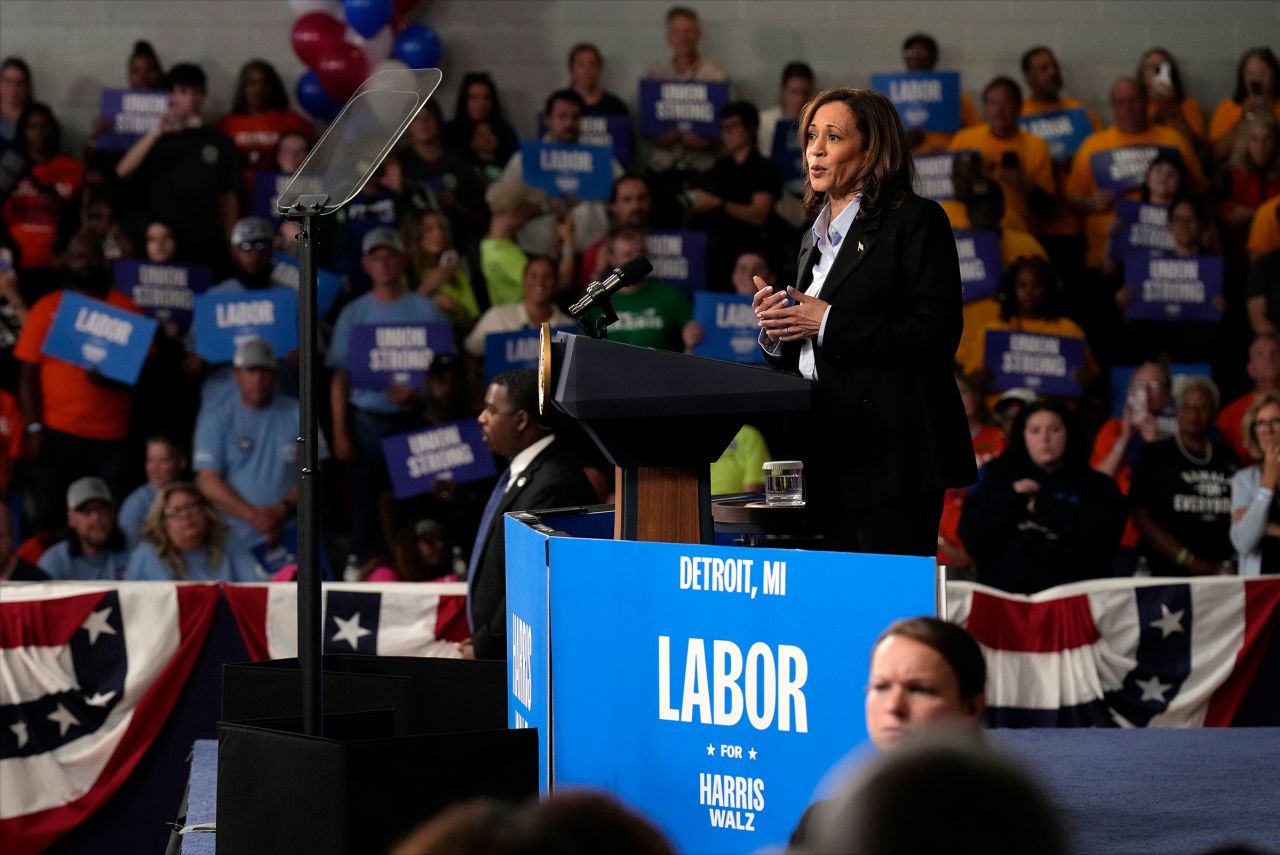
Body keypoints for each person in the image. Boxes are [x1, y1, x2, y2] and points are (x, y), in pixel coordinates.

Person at [753, 87, 976, 555]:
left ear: (872, 148)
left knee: (886, 608)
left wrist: (828, 321)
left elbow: (935, 336)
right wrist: (778, 332)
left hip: (893, 455)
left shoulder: (915, 221)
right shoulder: (811, 238)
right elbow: (812, 349)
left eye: (833, 137)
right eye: (811, 135)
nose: (815, 149)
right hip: (826, 447)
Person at [787, 616, 989, 849]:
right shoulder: (822, 824)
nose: (894, 706)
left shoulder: (1008, 829)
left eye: (919, 689)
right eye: (881, 686)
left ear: (971, 708)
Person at [328, 226, 448, 562]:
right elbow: (340, 375)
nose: (383, 264)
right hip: (368, 422)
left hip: (417, 419)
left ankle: (420, 566)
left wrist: (420, 389)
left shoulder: (426, 310)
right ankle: (367, 564)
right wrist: (339, 432)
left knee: (420, 502)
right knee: (365, 501)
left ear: (403, 260)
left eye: (390, 256)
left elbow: (444, 375)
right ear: (366, 265)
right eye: (375, 257)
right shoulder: (354, 314)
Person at [15, 231, 141, 531]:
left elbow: (143, 376)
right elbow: (27, 373)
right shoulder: (46, 308)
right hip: (56, 434)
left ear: (103, 260)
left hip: (111, 438)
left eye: (92, 255)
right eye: (77, 256)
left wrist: (113, 379)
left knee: (111, 523)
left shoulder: (126, 308)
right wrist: (33, 427)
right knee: (49, 519)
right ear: (65, 262)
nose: (85, 262)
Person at [465, 369, 596, 660]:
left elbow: (530, 581)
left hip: (516, 656)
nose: (481, 418)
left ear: (521, 420)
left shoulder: (554, 483)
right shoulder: (525, 470)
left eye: (491, 410)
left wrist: (485, 644)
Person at [959, 399, 1126, 593]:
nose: (1045, 439)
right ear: (1023, 436)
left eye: (1054, 430)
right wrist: (1012, 500)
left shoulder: (1098, 486)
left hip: (1073, 600)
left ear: (1068, 434)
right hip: (1005, 600)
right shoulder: (997, 476)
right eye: (1035, 431)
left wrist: (1044, 506)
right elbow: (971, 536)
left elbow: (1102, 544)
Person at [193, 337, 316, 568]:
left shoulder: (297, 413)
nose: (258, 379)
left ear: (275, 374)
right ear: (236, 375)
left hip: (291, 531)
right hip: (232, 537)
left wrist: (281, 510)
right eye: (251, 371)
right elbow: (207, 479)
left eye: (264, 371)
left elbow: (315, 471)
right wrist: (255, 516)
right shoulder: (216, 418)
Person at [1066, 76, 1205, 271]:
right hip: (1110, 255)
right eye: (1121, 103)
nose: (1129, 108)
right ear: (1113, 108)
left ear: (1146, 102)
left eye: (1134, 100)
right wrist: (1090, 204)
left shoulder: (1173, 140)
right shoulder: (1093, 146)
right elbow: (1071, 197)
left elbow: (1199, 189)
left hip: (1169, 254)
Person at [115, 62, 237, 272]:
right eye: (182, 92)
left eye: (196, 92)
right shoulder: (156, 139)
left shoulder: (220, 141)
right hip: (163, 243)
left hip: (205, 241)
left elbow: (229, 196)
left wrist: (230, 240)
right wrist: (157, 131)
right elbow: (122, 171)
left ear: (204, 94)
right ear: (170, 95)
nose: (190, 99)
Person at [1129, 377, 1236, 576]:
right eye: (1187, 405)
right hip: (1166, 571)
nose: (1194, 413)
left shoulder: (1228, 457)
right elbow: (1141, 518)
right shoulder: (1155, 454)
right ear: (1177, 411)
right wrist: (1186, 559)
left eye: (1202, 406)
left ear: (1214, 413)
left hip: (1220, 573)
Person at [499, 88, 618, 258]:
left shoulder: (601, 159)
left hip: (590, 254)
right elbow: (503, 209)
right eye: (562, 116)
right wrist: (545, 206)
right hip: (537, 255)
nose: (569, 123)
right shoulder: (525, 159)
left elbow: (623, 200)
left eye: (575, 117)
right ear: (548, 120)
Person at [687, 101, 783, 289]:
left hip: (752, 253)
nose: (726, 133)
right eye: (723, 128)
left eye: (732, 126)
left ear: (750, 129)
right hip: (718, 252)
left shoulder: (764, 168)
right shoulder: (720, 167)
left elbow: (759, 214)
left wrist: (719, 204)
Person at [948, 77, 1055, 235]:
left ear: (1019, 108)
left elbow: (1050, 211)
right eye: (992, 103)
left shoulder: (1036, 145)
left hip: (1018, 231)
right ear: (984, 108)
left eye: (1006, 103)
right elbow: (947, 188)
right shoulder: (964, 139)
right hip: (971, 231)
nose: (999, 111)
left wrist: (1024, 183)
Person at [641, 6, 728, 175]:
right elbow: (645, 127)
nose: (683, 38)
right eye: (677, 32)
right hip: (662, 168)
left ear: (699, 35)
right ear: (668, 37)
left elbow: (728, 128)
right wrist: (661, 137)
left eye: (688, 31)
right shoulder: (654, 76)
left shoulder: (716, 77)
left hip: (704, 168)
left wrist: (706, 142)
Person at [2, 103, 85, 278]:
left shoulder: (73, 169)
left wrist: (63, 208)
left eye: (45, 126)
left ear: (53, 129)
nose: (39, 132)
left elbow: (83, 215)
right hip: (11, 262)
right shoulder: (8, 169)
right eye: (32, 127)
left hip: (57, 262)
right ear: (23, 131)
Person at [398, 100, 488, 254]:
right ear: (407, 126)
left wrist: (454, 204)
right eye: (416, 119)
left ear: (438, 122)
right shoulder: (399, 163)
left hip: (458, 246)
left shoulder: (459, 162)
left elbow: (480, 216)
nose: (423, 124)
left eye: (429, 118)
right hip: (412, 248)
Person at [125, 481, 262, 581]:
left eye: (191, 506)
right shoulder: (146, 554)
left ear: (205, 511)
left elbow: (255, 587)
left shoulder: (229, 541)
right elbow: (129, 603)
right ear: (163, 522)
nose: (186, 515)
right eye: (175, 511)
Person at [217, 59, 314, 195]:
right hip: (239, 197)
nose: (258, 89)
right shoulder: (226, 124)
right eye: (252, 83)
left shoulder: (293, 121)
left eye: (264, 83)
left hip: (284, 196)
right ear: (243, 87)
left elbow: (313, 167)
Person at [590, 227, 690, 352]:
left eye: (641, 253)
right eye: (628, 255)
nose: (637, 262)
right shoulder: (596, 303)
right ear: (612, 258)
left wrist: (691, 342)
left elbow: (693, 345)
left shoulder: (671, 297)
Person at [464, 255, 573, 358]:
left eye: (547, 276)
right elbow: (471, 351)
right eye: (534, 276)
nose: (540, 282)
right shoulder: (497, 316)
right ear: (524, 281)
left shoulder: (570, 328)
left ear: (556, 283)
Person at [899, 33, 980, 153]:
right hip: (907, 163)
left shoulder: (957, 98)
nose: (916, 58)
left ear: (934, 58)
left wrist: (955, 142)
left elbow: (978, 133)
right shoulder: (891, 97)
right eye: (909, 53)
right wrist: (905, 141)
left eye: (922, 53)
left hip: (947, 161)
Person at [37, 477, 129, 581]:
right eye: (87, 511)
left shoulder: (130, 555)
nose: (96, 517)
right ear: (71, 519)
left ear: (113, 515)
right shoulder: (56, 561)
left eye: (102, 509)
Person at [402, 208, 481, 330]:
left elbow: (474, 324)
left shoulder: (455, 274)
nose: (438, 233)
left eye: (441, 227)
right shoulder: (404, 274)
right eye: (429, 229)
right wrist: (428, 286)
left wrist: (455, 308)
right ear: (415, 235)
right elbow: (398, 319)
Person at [1219, 111, 1280, 263]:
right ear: (1245, 141)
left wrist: (1253, 216)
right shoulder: (1231, 175)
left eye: (1267, 139)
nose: (1261, 146)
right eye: (1254, 139)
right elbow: (1227, 215)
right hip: (1237, 257)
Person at [1230, 392, 1280, 575]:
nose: (1267, 429)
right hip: (1262, 593)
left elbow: (1253, 528)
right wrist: (1267, 485)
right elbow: (1243, 542)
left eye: (1275, 421)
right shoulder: (1243, 480)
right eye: (1260, 423)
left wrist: (1267, 527)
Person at [579, 173, 653, 290]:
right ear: (614, 206)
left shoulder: (674, 241)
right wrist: (599, 273)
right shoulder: (595, 252)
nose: (636, 206)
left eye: (641, 198)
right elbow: (587, 299)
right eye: (627, 200)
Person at [1209, 47, 1280, 163]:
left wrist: (1268, 114)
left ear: (1274, 76)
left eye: (1262, 73)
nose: (1256, 79)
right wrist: (1243, 119)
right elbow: (1216, 155)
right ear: (1242, 78)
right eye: (1249, 73)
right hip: (1238, 172)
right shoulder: (1227, 107)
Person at [479, 178, 543, 307]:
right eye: (528, 208)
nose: (530, 215)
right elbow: (545, 287)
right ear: (516, 211)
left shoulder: (488, 245)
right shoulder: (503, 254)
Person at [1218, 334, 1280, 462]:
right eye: (1260, 354)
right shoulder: (1230, 414)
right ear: (1250, 369)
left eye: (1275, 352)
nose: (1269, 359)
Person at [118, 435, 189, 548]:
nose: (155, 468)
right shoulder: (135, 505)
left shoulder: (196, 496)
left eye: (163, 460)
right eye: (150, 460)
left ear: (181, 462)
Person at [1136, 48, 1205, 152]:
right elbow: (1134, 142)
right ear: (1143, 76)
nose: (1157, 71)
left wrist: (1176, 113)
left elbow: (1198, 149)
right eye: (1152, 67)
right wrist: (1161, 112)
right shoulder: (1135, 106)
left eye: (1161, 67)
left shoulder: (1189, 105)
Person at [443, 72, 519, 166]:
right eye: (474, 98)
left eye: (486, 98)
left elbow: (515, 165)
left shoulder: (505, 132)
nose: (481, 104)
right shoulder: (449, 132)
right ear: (464, 101)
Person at [566, 43, 630, 118]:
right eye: (581, 64)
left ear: (599, 69)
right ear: (571, 69)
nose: (587, 70)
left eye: (592, 64)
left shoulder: (615, 106)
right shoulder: (559, 106)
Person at [0, 57, 32, 144]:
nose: (13, 89)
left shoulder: (37, 118)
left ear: (27, 87)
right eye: (8, 81)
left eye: (20, 83)